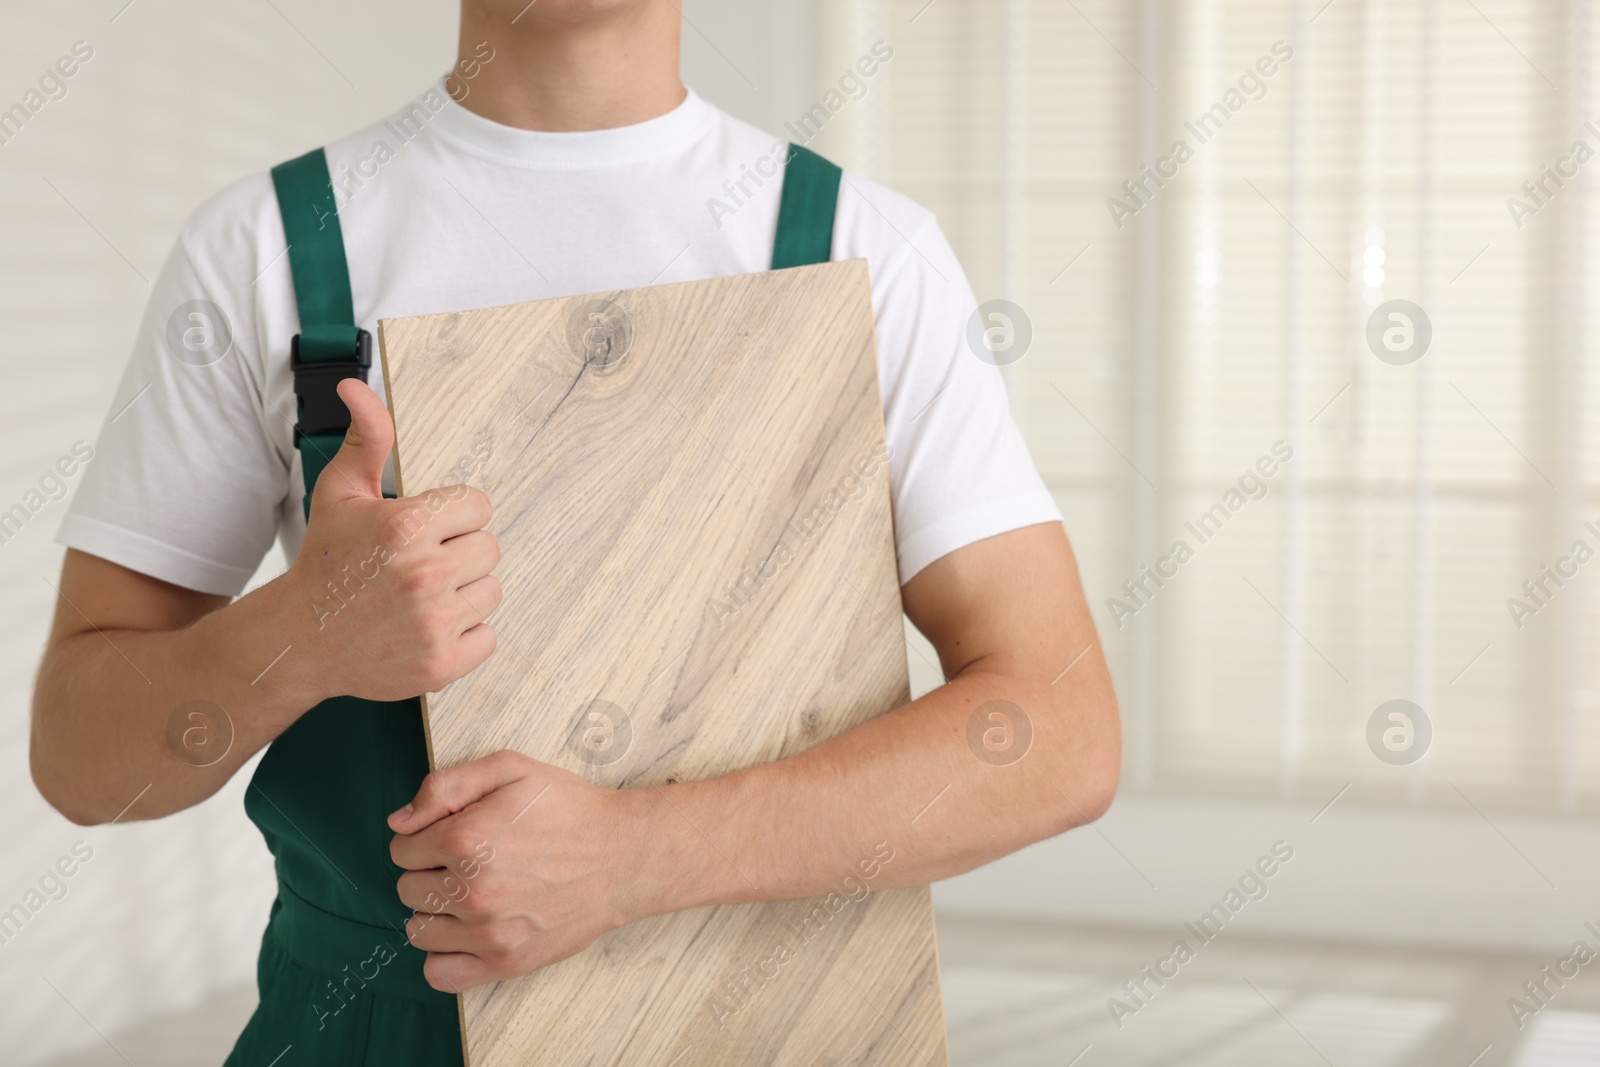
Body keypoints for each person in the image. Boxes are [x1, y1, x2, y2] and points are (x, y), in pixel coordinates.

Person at [29, 0, 1120, 1062]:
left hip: (772, 1019)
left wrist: (636, 858)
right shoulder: (265, 248)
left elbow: (1058, 732)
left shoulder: (868, 251)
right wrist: (302, 633)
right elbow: (81, 759)